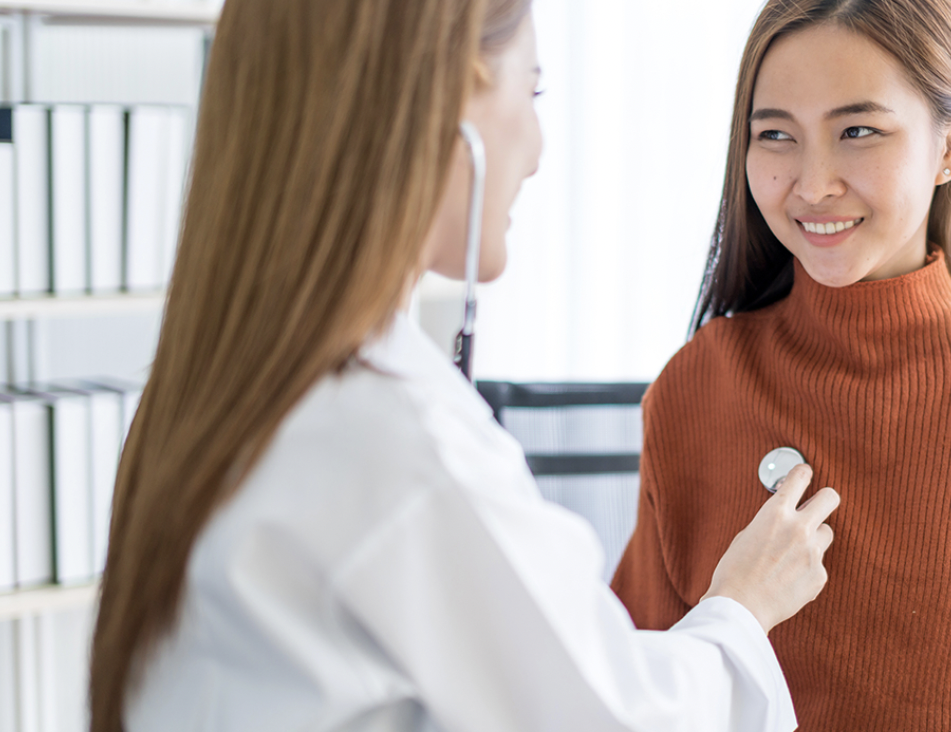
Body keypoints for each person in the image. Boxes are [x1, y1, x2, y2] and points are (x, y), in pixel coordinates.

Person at [86, 1, 842, 730]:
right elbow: (613, 718)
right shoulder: (393, 443)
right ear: (442, 102)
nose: (541, 151)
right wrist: (742, 607)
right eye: (532, 89)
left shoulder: (210, 392)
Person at [611, 1, 951, 730]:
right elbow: (632, 692)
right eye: (775, 134)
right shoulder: (694, 388)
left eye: (858, 131)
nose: (812, 183)